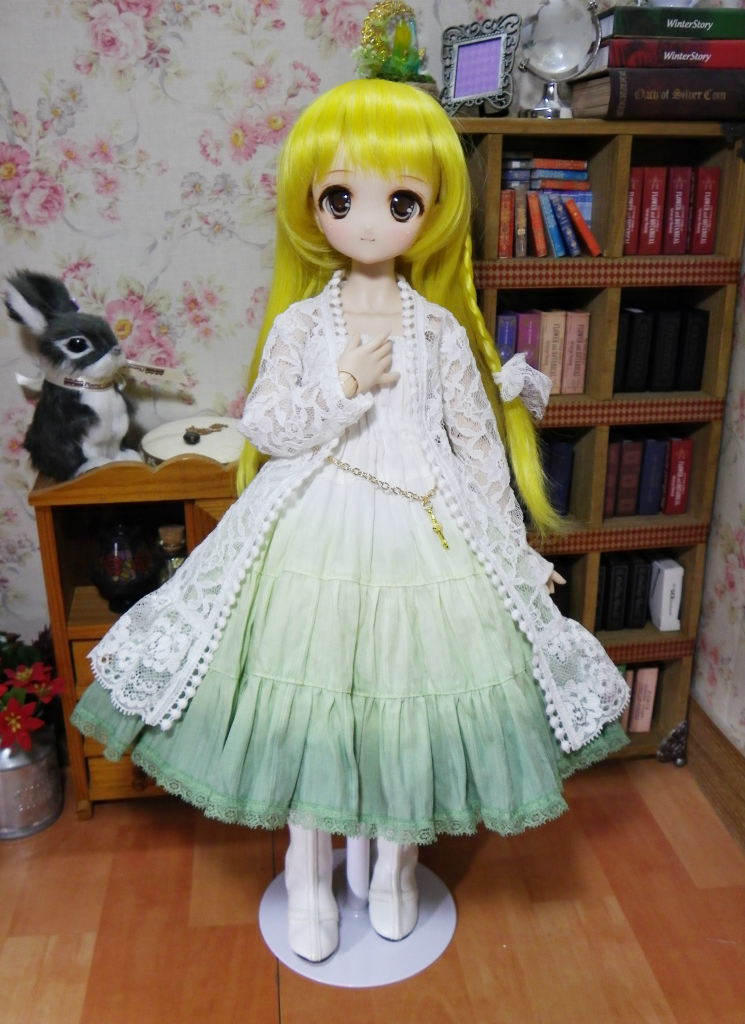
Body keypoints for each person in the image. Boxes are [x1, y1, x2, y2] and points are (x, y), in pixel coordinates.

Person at [72, 79, 629, 964]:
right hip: (315, 518)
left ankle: (397, 868)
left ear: (431, 210)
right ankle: (307, 873)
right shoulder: (301, 324)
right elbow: (268, 424)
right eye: (342, 197)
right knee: (311, 699)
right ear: (314, 205)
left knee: (410, 698)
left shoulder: (438, 330)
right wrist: (343, 385)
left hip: (425, 525)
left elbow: (477, 446)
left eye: (399, 201)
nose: (369, 221)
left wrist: (513, 550)